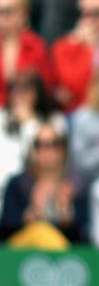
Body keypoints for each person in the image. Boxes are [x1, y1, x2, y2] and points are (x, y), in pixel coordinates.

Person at [0, 124, 87, 244]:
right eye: (38, 144)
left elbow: (85, 233)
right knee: (41, 232)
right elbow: (5, 228)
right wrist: (29, 215)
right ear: (32, 150)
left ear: (63, 149)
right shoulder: (18, 184)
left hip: (65, 254)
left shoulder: (77, 185)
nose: (45, 150)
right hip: (23, 252)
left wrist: (67, 216)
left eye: (53, 144)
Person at [0, 72, 66, 214]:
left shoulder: (55, 120)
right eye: (15, 90)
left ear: (38, 93)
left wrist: (29, 124)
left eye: (26, 90)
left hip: (37, 184)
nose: (20, 96)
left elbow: (41, 155)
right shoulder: (2, 118)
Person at [0, 0, 53, 106]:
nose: (1, 17)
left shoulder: (36, 44)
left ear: (23, 14)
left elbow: (46, 86)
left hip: (28, 111)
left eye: (7, 11)